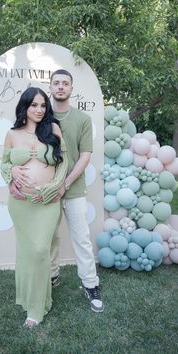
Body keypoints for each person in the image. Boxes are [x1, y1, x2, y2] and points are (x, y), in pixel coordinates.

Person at [0, 87, 68, 328]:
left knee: (40, 250)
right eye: (34, 105)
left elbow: (63, 163)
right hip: (21, 204)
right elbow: (4, 163)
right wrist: (11, 174)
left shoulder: (53, 129)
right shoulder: (12, 133)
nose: (39, 110)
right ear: (25, 107)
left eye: (42, 105)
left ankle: (38, 307)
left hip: (47, 203)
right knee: (28, 253)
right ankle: (30, 302)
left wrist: (55, 187)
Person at [49, 69, 104, 313]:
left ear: (72, 89)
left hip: (72, 188)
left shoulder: (82, 119)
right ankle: (50, 277)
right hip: (46, 190)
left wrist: (66, 183)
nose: (60, 87)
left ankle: (91, 284)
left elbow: (85, 156)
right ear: (50, 87)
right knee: (48, 238)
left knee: (81, 239)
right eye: (56, 83)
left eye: (65, 83)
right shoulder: (40, 115)